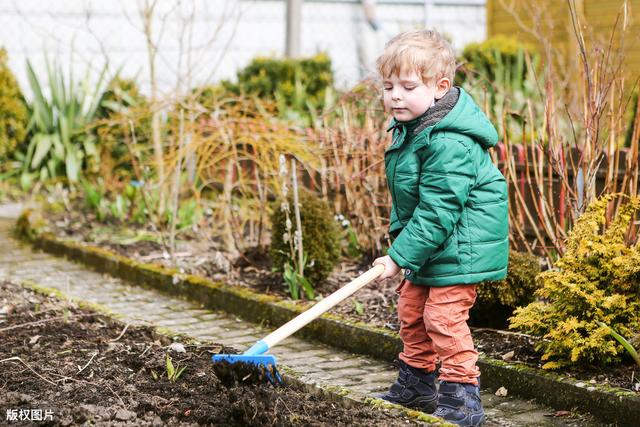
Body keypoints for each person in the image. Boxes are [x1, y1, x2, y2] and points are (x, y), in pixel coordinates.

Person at [372, 29, 509, 427]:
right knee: (411, 311)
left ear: (439, 87)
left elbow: (438, 210)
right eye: (388, 86)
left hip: (459, 245)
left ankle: (462, 398)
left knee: (444, 319)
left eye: (408, 86)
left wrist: (399, 256)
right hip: (432, 244)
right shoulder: (411, 130)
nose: (395, 95)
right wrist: (404, 250)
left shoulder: (449, 142)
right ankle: (417, 383)